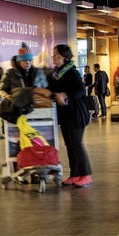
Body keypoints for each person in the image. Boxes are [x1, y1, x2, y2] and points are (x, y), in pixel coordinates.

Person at [47, 44, 93, 187]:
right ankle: (75, 174)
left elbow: (80, 90)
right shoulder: (56, 73)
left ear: (63, 57)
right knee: (70, 145)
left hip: (76, 113)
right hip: (65, 114)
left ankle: (85, 175)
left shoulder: (71, 72)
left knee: (77, 144)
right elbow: (51, 88)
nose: (53, 57)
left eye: (55, 55)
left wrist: (65, 94)